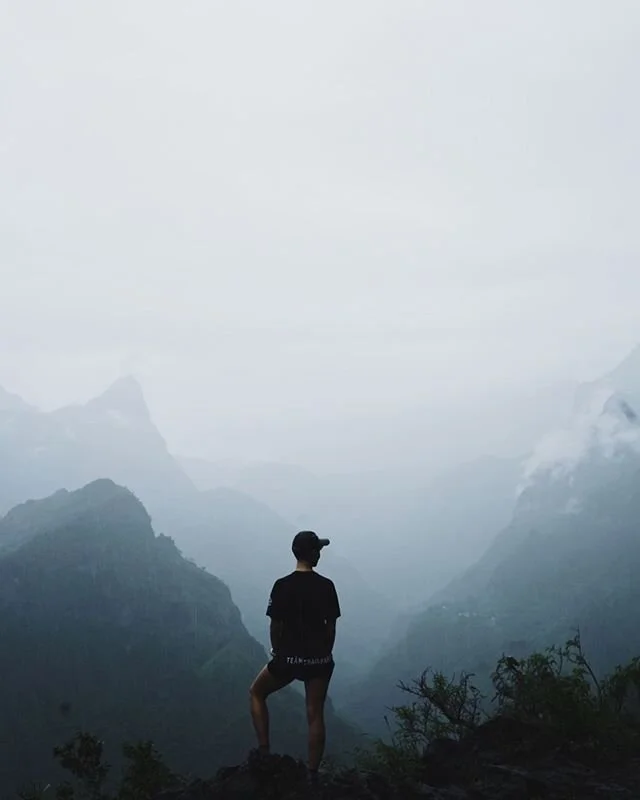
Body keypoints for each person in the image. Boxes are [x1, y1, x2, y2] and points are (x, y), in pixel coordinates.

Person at [249, 530, 341, 782]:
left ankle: (264, 751)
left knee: (256, 693)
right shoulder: (326, 586)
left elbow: (275, 626)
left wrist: (277, 652)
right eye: (318, 550)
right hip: (319, 660)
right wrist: (325, 653)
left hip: (288, 658)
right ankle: (312, 774)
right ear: (311, 553)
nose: (320, 553)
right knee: (315, 713)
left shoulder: (282, 586)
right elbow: (330, 627)